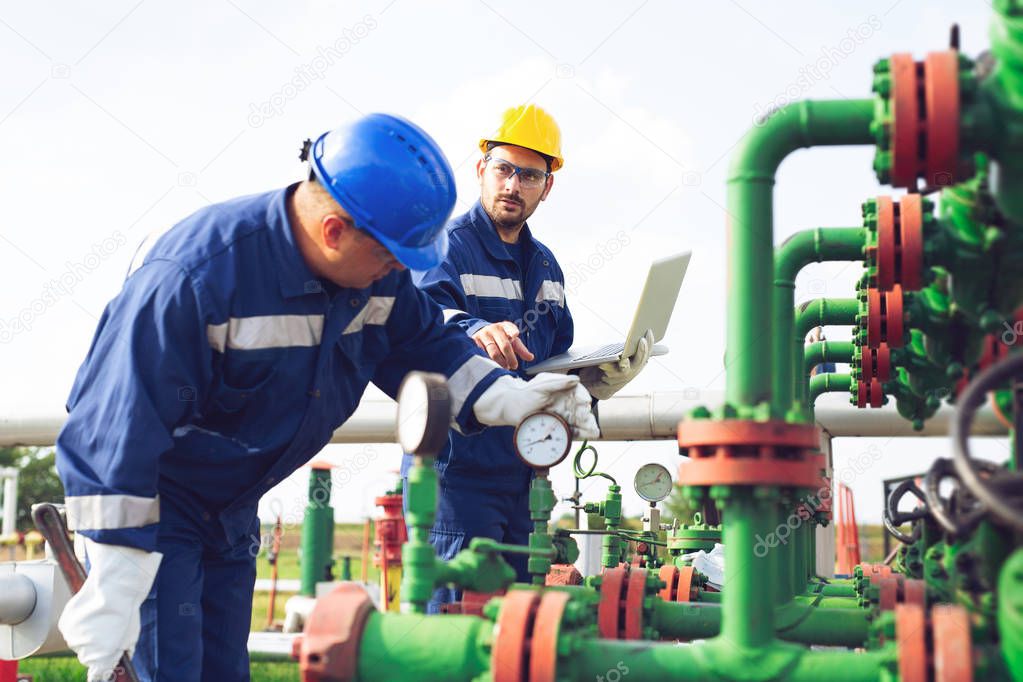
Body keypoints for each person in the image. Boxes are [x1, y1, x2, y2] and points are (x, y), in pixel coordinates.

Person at [54, 113, 597, 682]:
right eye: (392, 258)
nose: (397, 273)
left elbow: (428, 346)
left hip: (232, 508)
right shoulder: (196, 278)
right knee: (168, 671)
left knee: (222, 671)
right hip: (157, 512)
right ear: (334, 231)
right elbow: (112, 426)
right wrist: (116, 570)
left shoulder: (371, 274)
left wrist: (514, 400)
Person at [405, 104, 652, 611]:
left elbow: (553, 362)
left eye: (530, 174)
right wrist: (477, 329)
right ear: (481, 170)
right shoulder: (445, 247)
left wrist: (601, 378)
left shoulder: (547, 267)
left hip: (526, 474)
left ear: (548, 186)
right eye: (504, 169)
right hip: (456, 476)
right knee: (457, 628)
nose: (513, 185)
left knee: (515, 628)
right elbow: (421, 323)